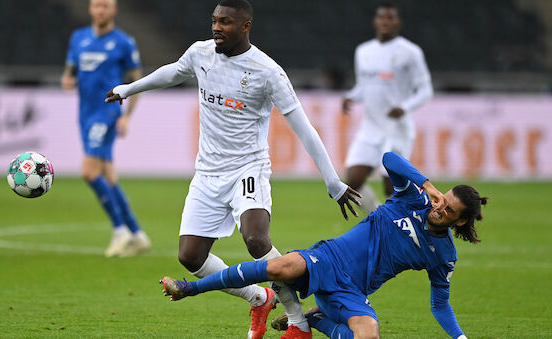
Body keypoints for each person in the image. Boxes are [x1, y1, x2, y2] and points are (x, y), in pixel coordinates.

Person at [105, 0, 360, 337]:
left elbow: (304, 128)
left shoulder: (267, 71)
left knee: (256, 239)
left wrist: (332, 181)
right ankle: (258, 297)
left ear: (245, 26)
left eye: (225, 22)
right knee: (190, 256)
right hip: (208, 172)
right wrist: (129, 88)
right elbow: (172, 72)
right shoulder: (200, 54)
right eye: (214, 20)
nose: (216, 27)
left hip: (247, 169)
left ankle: (297, 321)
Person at [162, 152, 486, 339]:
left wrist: (460, 338)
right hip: (329, 258)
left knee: (368, 334)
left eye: (449, 209)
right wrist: (428, 184)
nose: (440, 206)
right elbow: (388, 158)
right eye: (443, 199)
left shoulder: (443, 256)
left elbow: (440, 305)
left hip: (353, 292)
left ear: (459, 221)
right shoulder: (412, 198)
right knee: (279, 266)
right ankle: (190, 288)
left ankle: (316, 319)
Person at [61, 0, 150, 257]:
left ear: (114, 10)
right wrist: (67, 79)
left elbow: (137, 83)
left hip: (107, 112)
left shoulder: (123, 42)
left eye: (106, 6)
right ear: (90, 9)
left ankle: (120, 230)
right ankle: (137, 235)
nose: (101, 10)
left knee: (89, 172)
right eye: (97, 5)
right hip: (85, 114)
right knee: (108, 175)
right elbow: (70, 73)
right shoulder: (78, 38)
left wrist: (127, 116)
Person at [342, 2, 433, 214]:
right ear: (375, 21)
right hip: (370, 128)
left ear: (398, 22)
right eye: (382, 17)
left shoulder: (410, 52)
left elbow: (426, 90)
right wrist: (350, 97)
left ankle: (402, 226)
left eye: (390, 18)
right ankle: (377, 216)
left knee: (391, 188)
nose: (385, 22)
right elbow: (364, 86)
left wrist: (405, 107)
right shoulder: (363, 51)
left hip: (396, 129)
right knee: (352, 181)